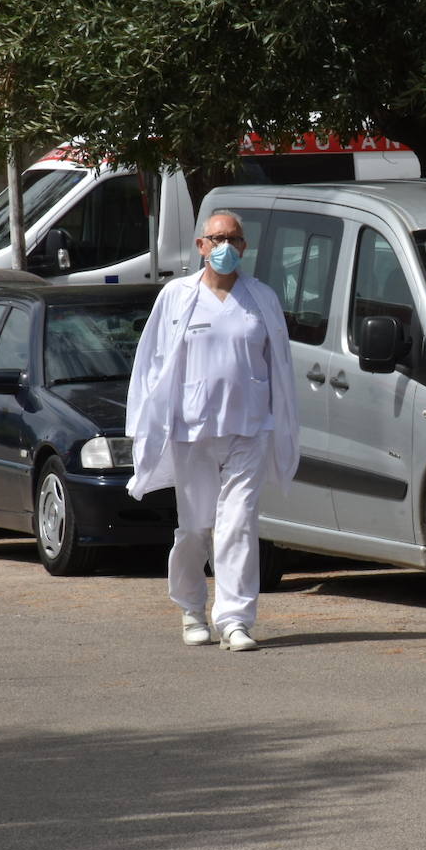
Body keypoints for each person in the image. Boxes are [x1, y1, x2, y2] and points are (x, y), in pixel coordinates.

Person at [126, 210, 299, 651]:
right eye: (216, 239)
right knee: (197, 527)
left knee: (238, 524)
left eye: (233, 240)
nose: (224, 247)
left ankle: (235, 620)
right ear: (201, 246)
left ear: (244, 247)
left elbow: (278, 364)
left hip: (250, 429)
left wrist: (280, 420)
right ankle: (190, 609)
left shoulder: (261, 298)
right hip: (193, 432)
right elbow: (152, 364)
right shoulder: (176, 297)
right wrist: (147, 422)